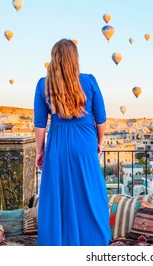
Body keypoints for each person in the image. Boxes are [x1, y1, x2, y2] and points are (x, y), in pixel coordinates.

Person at [33, 38, 111, 246]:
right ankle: (93, 242)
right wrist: (99, 142)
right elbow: (101, 118)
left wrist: (40, 151)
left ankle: (59, 242)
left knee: (58, 195)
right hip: (85, 142)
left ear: (54, 59)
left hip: (57, 144)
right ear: (75, 58)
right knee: (90, 192)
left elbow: (40, 124)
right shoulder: (89, 80)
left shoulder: (43, 84)